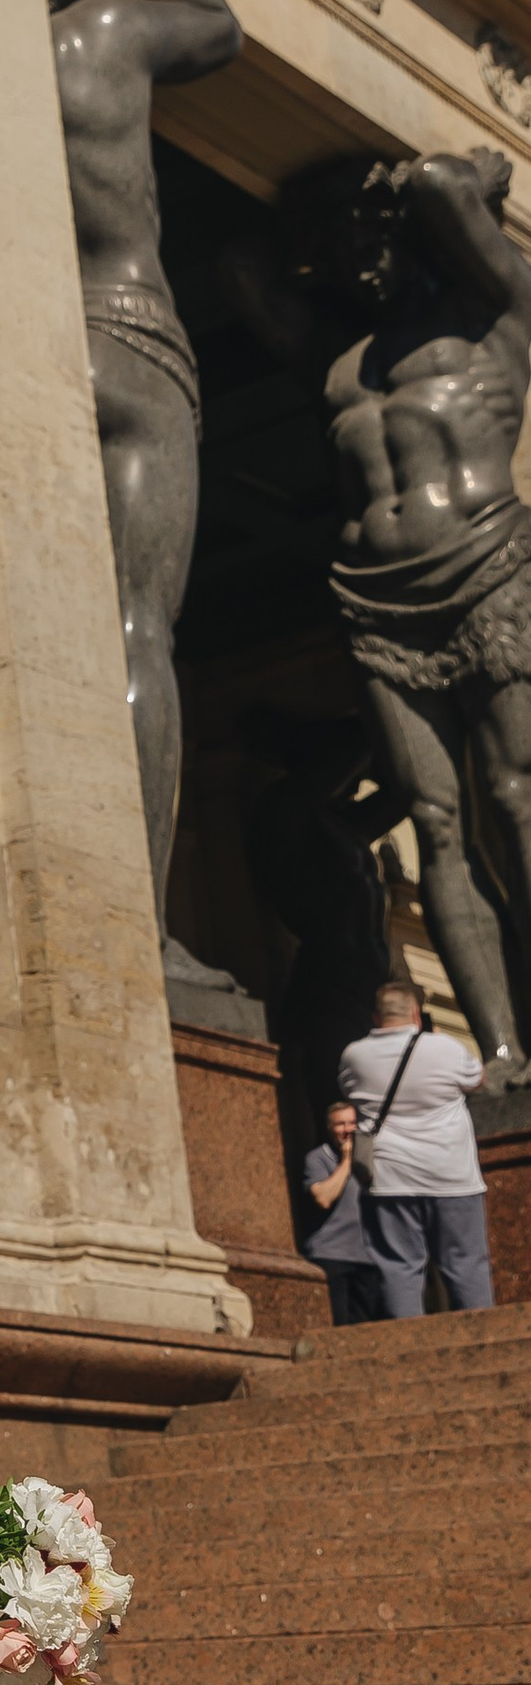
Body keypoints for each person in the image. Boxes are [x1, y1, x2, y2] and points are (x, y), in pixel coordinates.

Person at [39, 0, 241, 981]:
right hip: (128, 330)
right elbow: (218, 25)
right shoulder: (102, 33)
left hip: (14, 328)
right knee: (135, 625)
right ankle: (141, 921)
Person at [321, 150, 531, 1077]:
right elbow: (245, 276)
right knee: (436, 819)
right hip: (379, 603)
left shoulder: (497, 320)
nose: (359, 260)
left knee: (517, 799)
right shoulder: (340, 369)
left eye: (376, 240)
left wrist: (452, 186)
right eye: (345, 246)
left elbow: (447, 183)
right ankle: (499, 1048)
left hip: (488, 566)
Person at [339, 978, 493, 1320]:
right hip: (452, 1176)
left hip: (390, 1177)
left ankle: (409, 1343)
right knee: (465, 1264)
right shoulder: (446, 1049)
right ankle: (483, 1338)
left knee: (399, 1268)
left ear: (376, 1017)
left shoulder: (354, 1055)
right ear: (415, 1014)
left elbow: (349, 1093)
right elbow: (478, 1080)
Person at [299, 1100, 384, 1326]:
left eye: (352, 1123)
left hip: (369, 1256)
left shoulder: (373, 1157)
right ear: (329, 1128)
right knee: (340, 1327)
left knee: (368, 1329)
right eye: (340, 1124)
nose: (347, 1130)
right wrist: (347, 1160)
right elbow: (324, 1198)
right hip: (332, 1255)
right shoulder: (317, 1158)